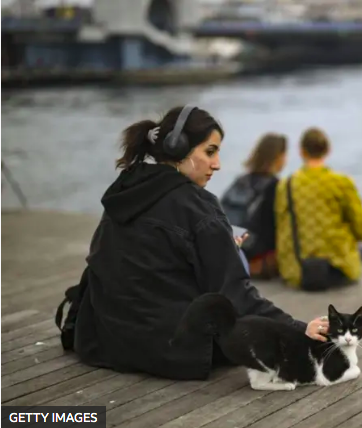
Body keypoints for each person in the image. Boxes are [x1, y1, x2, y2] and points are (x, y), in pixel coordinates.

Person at [59, 106, 328, 381]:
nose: (218, 164)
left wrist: (221, 245)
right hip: (168, 350)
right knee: (239, 312)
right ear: (179, 149)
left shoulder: (126, 189)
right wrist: (298, 329)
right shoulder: (199, 207)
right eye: (210, 151)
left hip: (103, 340)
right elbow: (236, 294)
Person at [275, 127, 362, 290]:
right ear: (328, 150)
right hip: (339, 270)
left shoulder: (286, 184)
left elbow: (280, 224)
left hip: (298, 271)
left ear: (302, 152)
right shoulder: (341, 182)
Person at [221, 133, 287, 279]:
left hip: (229, 242)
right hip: (254, 249)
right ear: (279, 157)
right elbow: (274, 228)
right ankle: (258, 264)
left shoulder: (241, 181)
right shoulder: (275, 185)